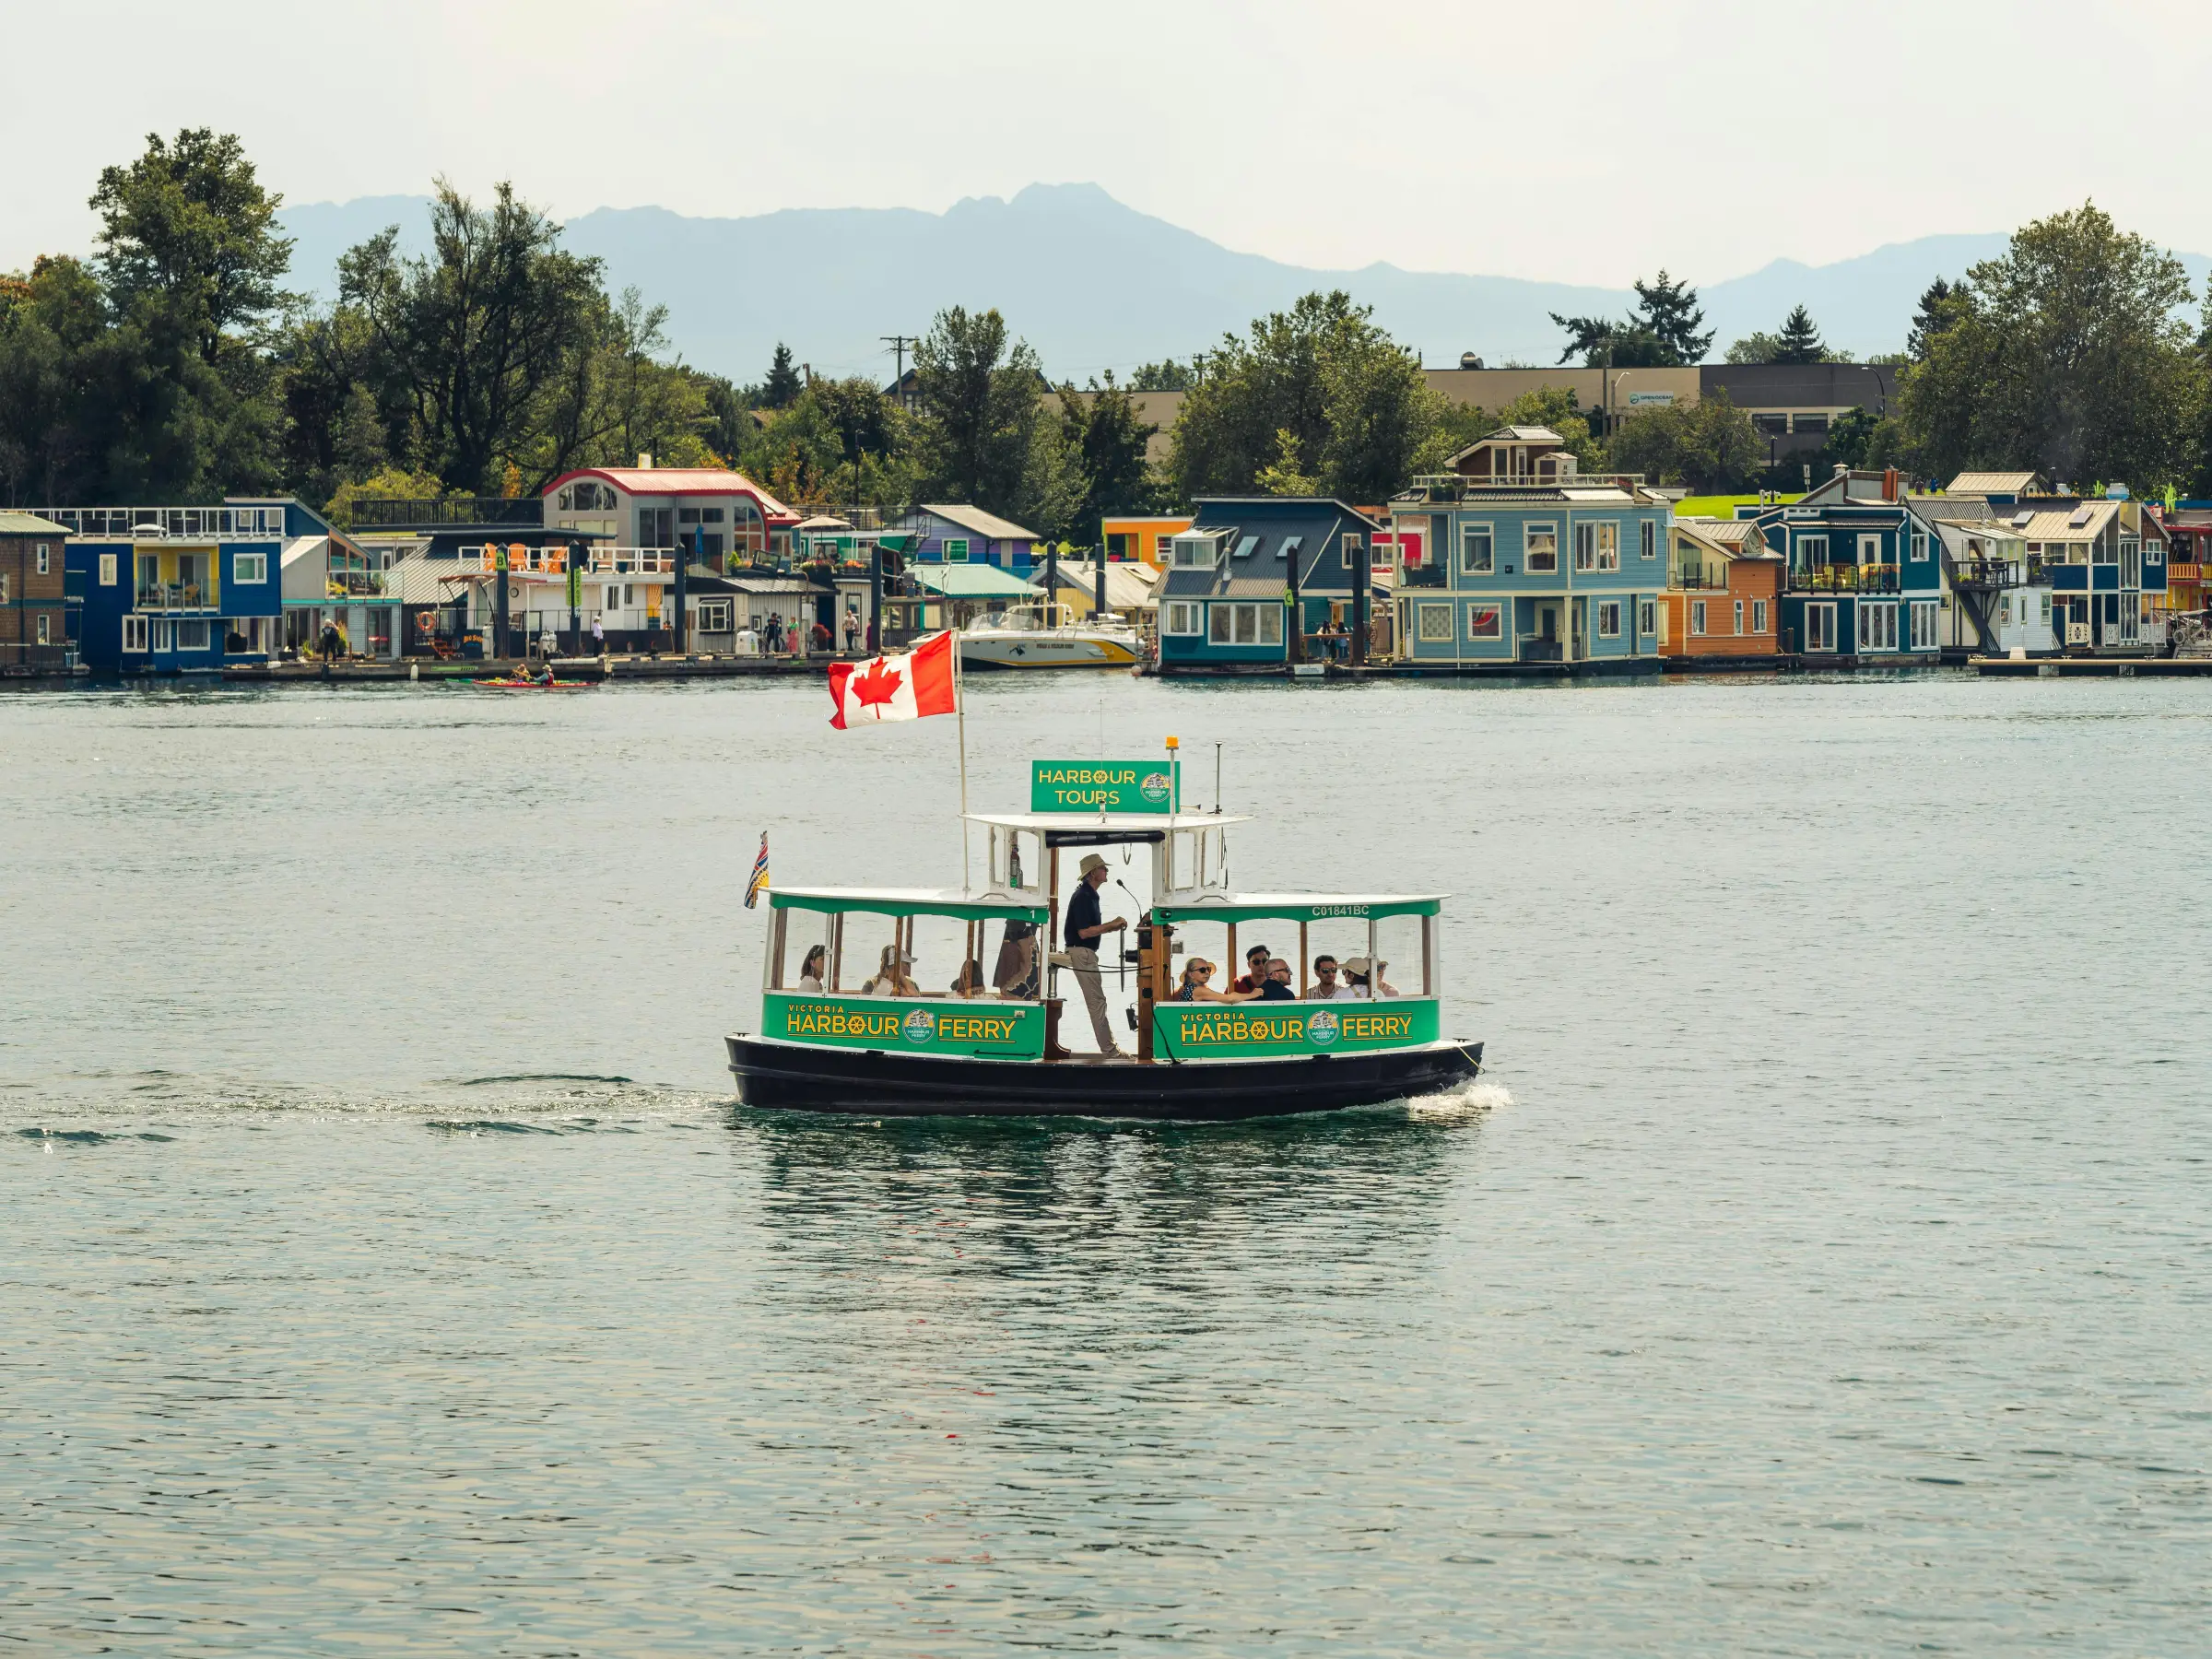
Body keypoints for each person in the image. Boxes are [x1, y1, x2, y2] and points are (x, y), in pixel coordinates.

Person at [1062, 853, 1125, 1056]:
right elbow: (1084, 932)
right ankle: (1111, 1052)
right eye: (1102, 868)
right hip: (1082, 952)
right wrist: (1111, 924)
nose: (1106, 871)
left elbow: (1090, 929)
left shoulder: (1090, 895)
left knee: (1098, 1001)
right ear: (1092, 873)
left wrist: (1110, 928)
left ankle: (1110, 1049)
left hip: (1085, 952)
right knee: (1097, 1002)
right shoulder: (1083, 896)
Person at [1168, 959, 1254, 1003]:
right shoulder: (1197, 990)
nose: (1206, 972)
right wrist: (1252, 995)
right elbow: (1230, 999)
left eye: (1208, 969)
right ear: (1191, 974)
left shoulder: (1188, 989)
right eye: (1202, 970)